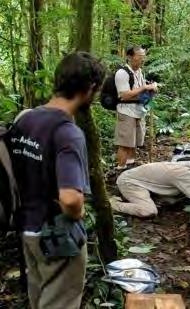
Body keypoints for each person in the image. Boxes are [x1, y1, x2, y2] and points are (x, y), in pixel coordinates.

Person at [8, 52, 105, 309]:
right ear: (91, 89)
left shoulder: (25, 119)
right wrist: (79, 211)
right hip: (56, 237)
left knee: (39, 298)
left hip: (27, 229)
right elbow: (71, 199)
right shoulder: (68, 133)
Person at [110, 154, 190, 217]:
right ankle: (112, 204)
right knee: (148, 211)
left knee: (172, 200)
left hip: (139, 179)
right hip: (130, 182)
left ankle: (149, 197)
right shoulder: (184, 175)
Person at [115, 46, 158, 169]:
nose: (142, 59)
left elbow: (140, 92)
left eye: (144, 57)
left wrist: (151, 90)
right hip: (126, 111)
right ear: (129, 57)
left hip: (139, 111)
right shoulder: (122, 73)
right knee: (125, 143)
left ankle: (131, 164)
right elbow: (124, 95)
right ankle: (121, 168)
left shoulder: (139, 72)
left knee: (134, 142)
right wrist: (144, 88)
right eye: (139, 56)